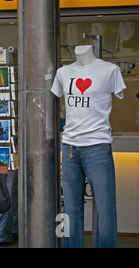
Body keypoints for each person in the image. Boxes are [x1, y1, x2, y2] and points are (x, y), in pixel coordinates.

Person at [51, 45, 126, 248]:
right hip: (69, 148)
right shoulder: (63, 72)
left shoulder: (110, 70)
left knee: (105, 209)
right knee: (70, 210)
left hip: (97, 146)